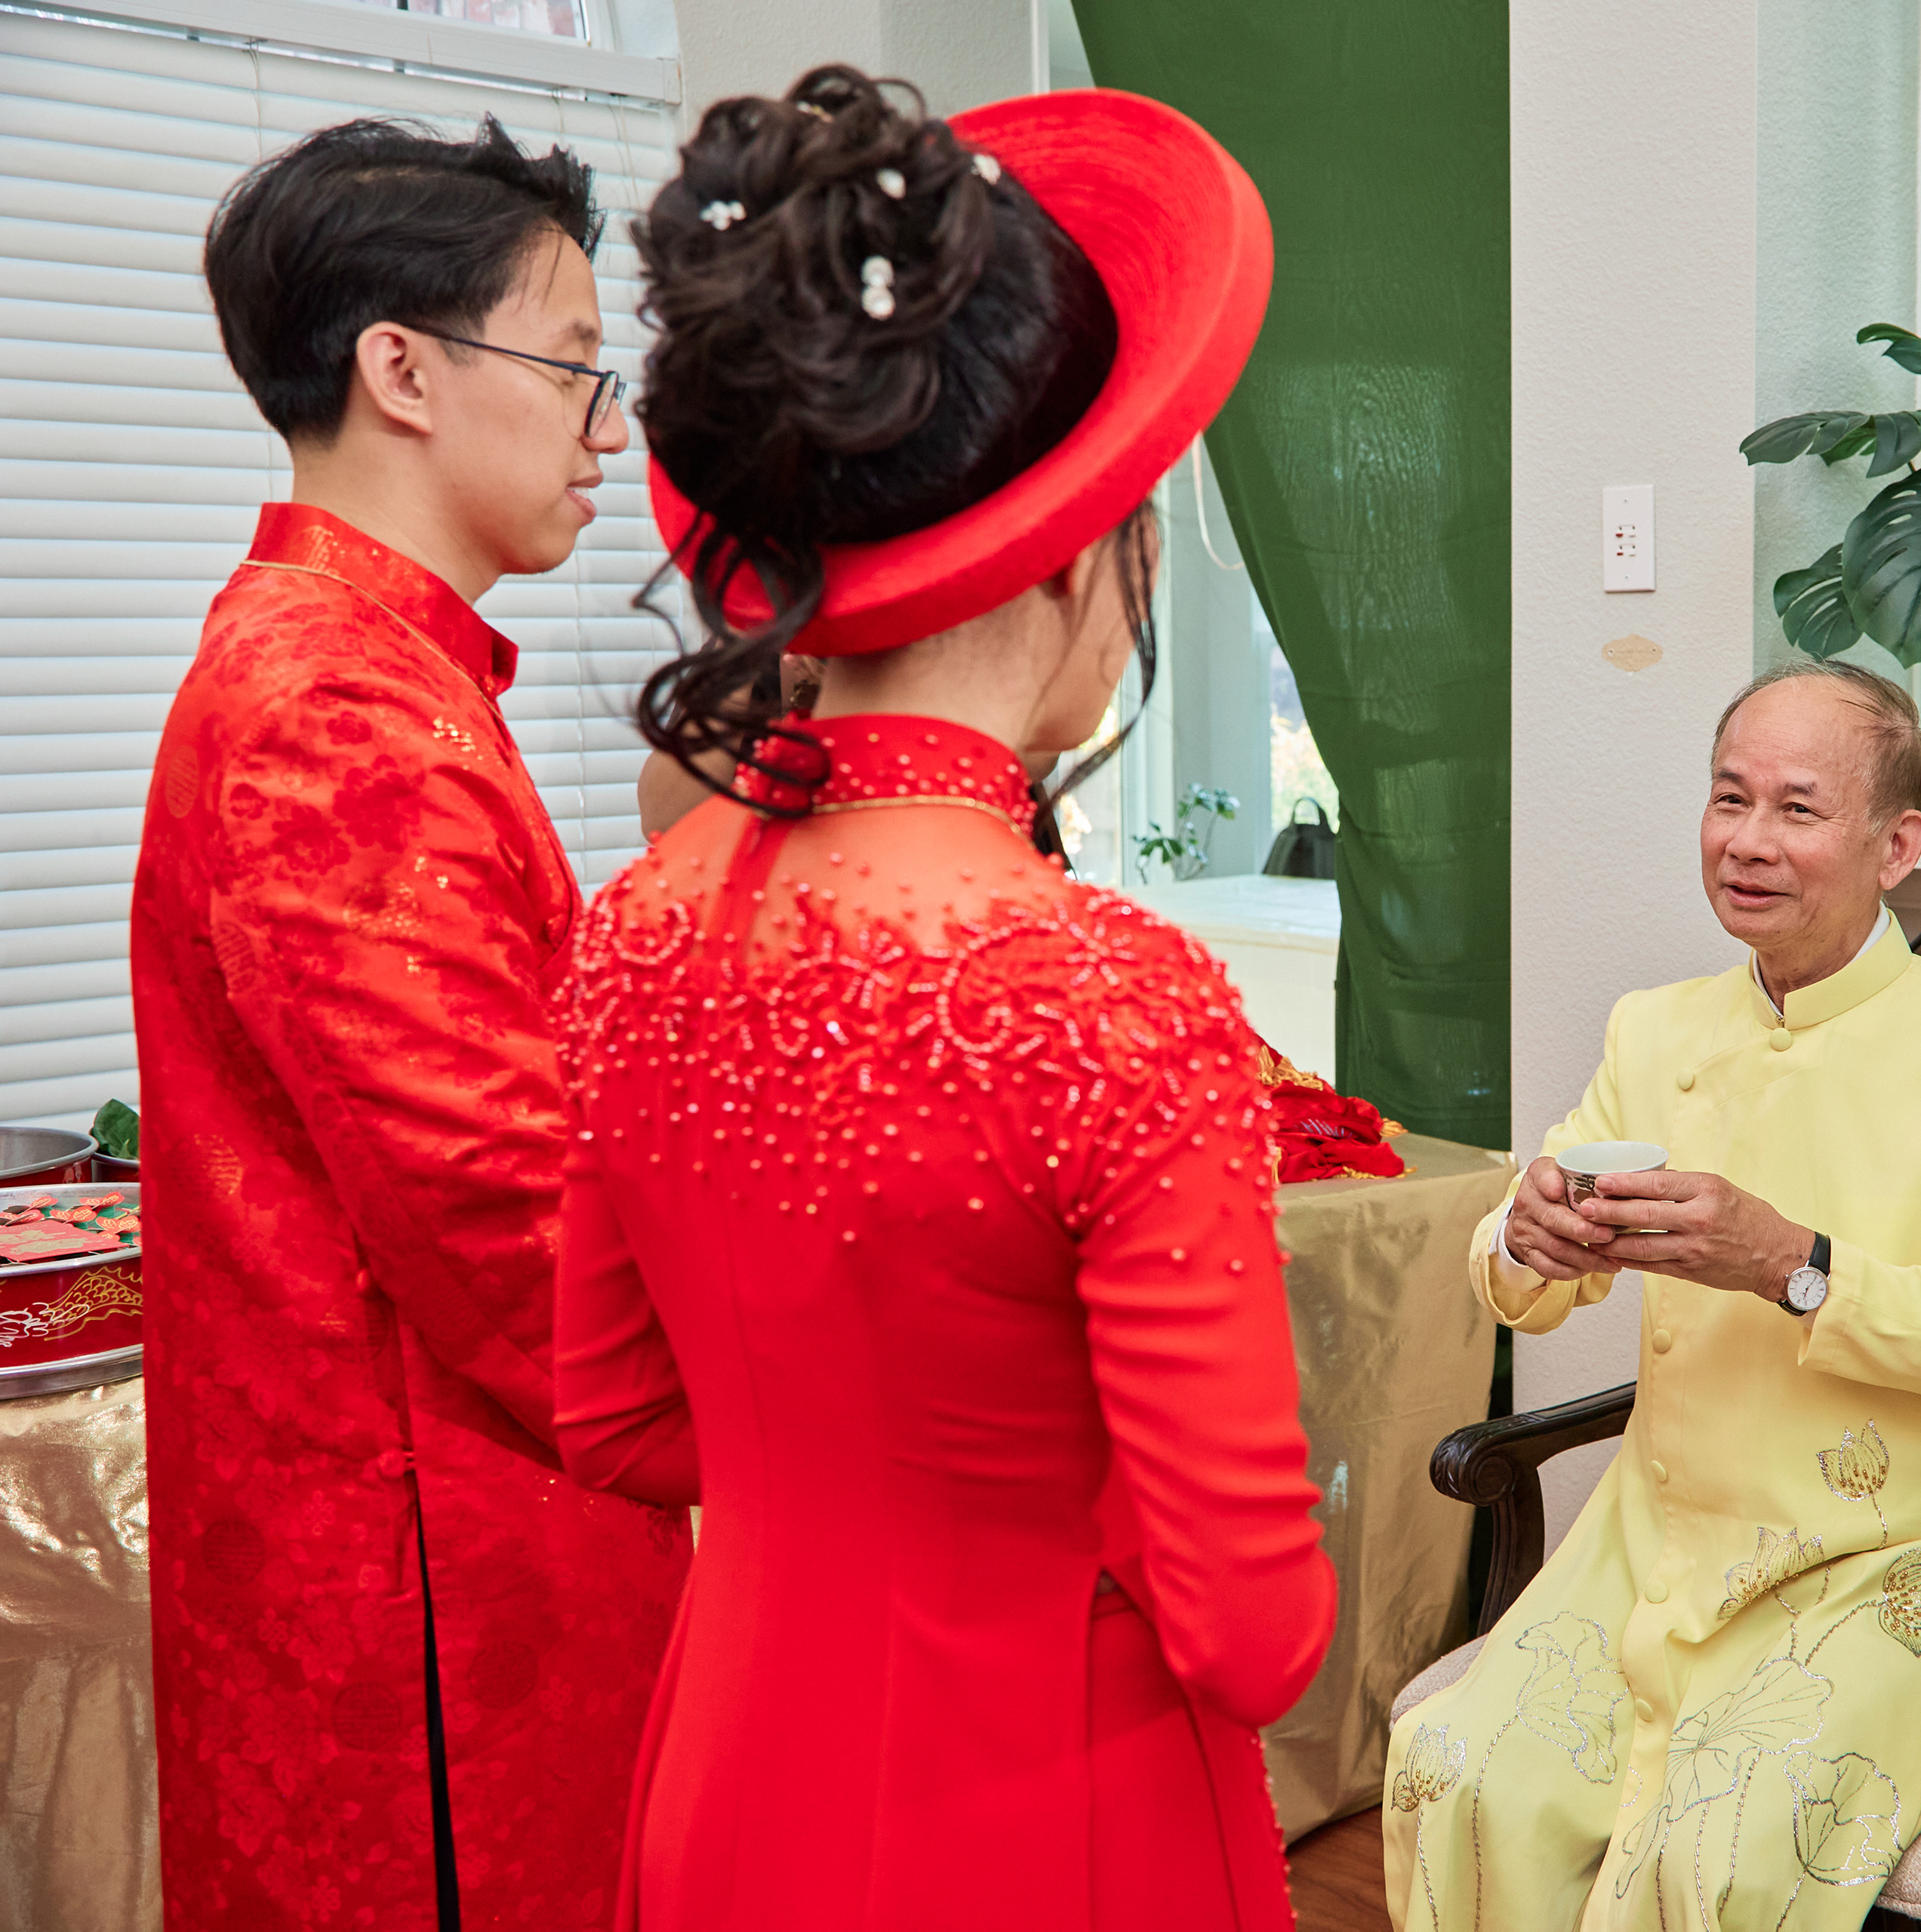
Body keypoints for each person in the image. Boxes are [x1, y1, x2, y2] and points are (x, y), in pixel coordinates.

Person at [546, 69, 1335, 1931]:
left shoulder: (633, 925)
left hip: (738, 1768)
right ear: (1087, 551)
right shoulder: (1110, 995)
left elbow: (613, 1419)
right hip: (1045, 1798)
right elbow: (1253, 1631)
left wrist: (847, 1491)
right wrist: (1028, 1511)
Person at [131, 119, 691, 1928]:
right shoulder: (336, 708)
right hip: (428, 1576)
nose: (608, 432)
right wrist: (777, 1418)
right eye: (578, 368)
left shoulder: (373, 667)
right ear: (404, 371)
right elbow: (500, 1222)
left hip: (434, 1528)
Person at [1385, 660, 1921, 1930]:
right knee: (1461, 1774)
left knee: (1716, 1854)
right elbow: (1516, 1283)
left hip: (1876, 1562)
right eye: (1730, 799)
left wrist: (1791, 1264)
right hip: (1655, 1539)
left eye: (1797, 809)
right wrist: (1529, 1237)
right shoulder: (1653, 1031)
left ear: (1896, 846)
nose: (1748, 842)